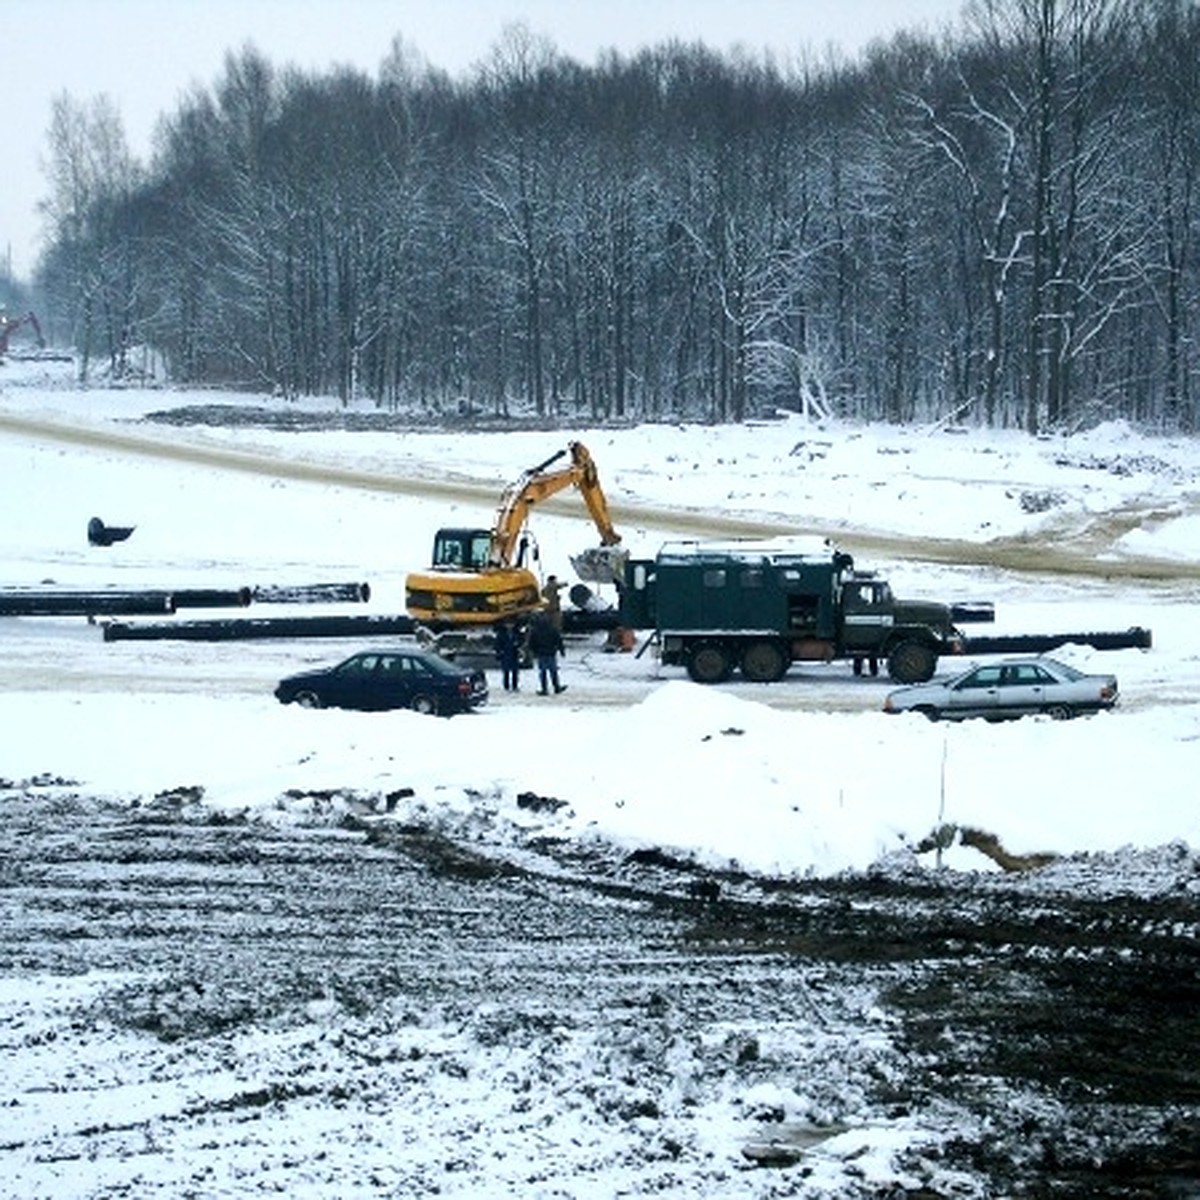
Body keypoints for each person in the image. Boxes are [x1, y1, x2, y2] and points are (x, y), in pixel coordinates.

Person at [525, 610, 566, 695]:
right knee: (553, 671)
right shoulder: (551, 628)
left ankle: (545, 689)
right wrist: (561, 650)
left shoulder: (536, 629)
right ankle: (556, 687)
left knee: (543, 672)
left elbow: (532, 642)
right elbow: (558, 640)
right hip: (550, 652)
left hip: (542, 653)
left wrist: (533, 651)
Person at [494, 619, 522, 691]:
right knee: (506, 671)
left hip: (514, 654)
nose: (510, 626)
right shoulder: (501, 633)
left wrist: (518, 645)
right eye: (508, 624)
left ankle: (514, 686)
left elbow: (521, 640)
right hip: (505, 654)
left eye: (511, 624)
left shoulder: (516, 632)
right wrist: (499, 651)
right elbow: (497, 644)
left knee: (515, 671)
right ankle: (506, 686)